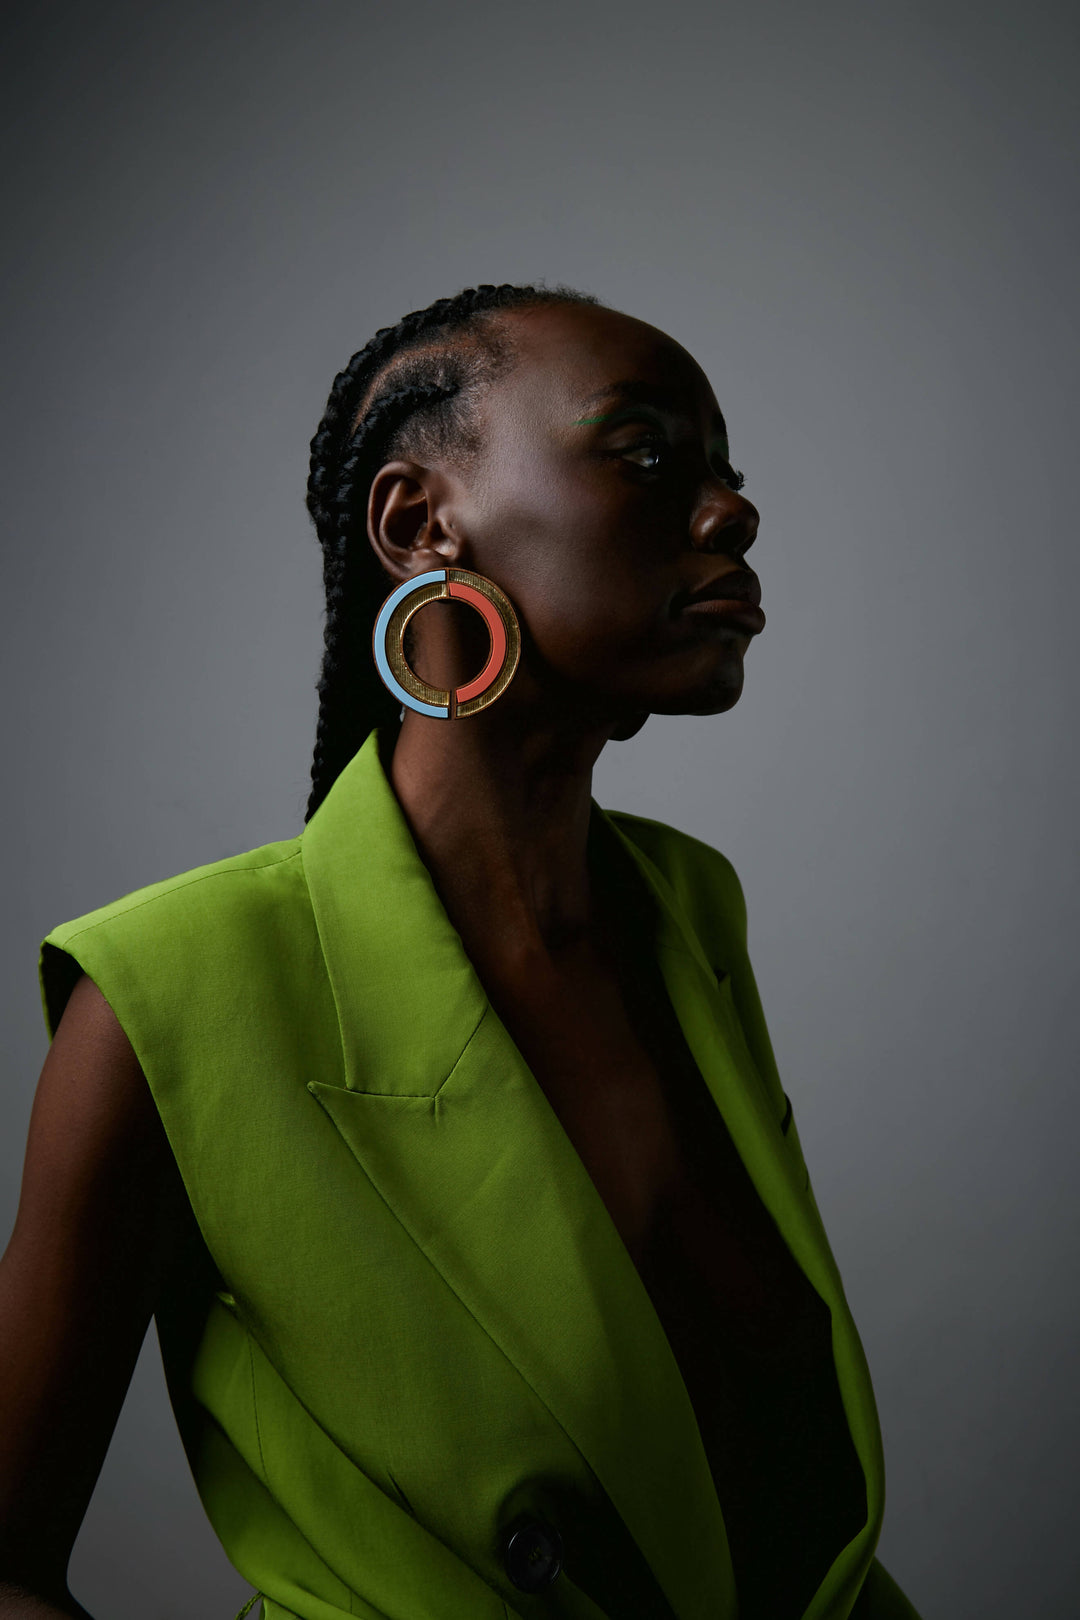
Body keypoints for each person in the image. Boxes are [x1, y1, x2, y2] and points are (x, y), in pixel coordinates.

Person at [0, 284, 922, 1620]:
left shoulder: (684, 910)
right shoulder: (171, 992)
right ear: (420, 522)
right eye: (651, 454)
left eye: (727, 470)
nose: (731, 511)